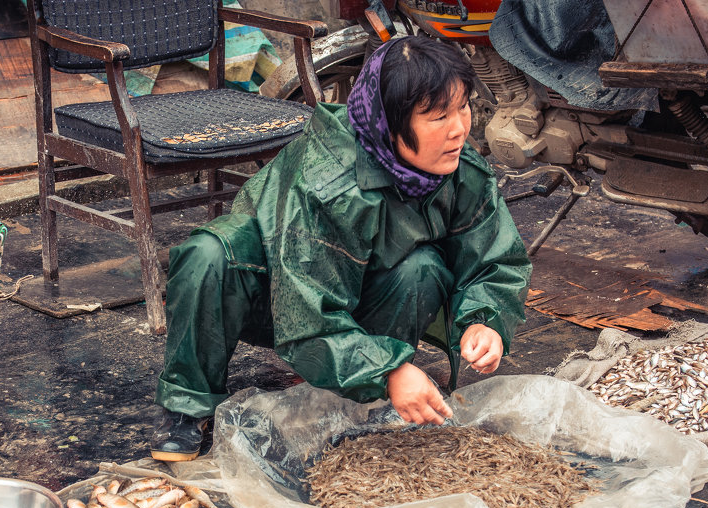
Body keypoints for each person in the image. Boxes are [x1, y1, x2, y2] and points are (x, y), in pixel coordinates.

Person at [150, 35, 532, 462]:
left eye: (463, 107)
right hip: (273, 298)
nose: (460, 128)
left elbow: (495, 259)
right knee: (208, 254)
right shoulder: (327, 183)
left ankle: (367, 398)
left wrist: (484, 321)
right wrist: (389, 370)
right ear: (389, 125)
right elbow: (305, 315)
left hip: (357, 292)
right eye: (439, 116)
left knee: (422, 266)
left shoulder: (460, 169)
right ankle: (187, 407)